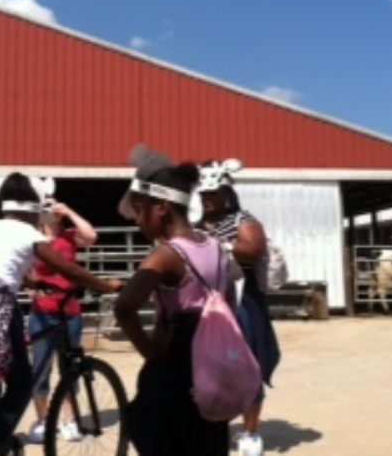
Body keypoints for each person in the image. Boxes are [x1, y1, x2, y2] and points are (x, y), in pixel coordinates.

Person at [0, 172, 123, 456]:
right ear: (35, 209)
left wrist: (36, 283)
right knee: (23, 381)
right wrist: (106, 285)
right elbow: (68, 270)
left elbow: (2, 265)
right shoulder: (28, 233)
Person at [114, 146, 232, 456]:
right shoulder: (216, 246)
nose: (137, 220)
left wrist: (148, 349)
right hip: (213, 362)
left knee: (161, 435)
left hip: (176, 363)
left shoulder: (166, 255)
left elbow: (125, 306)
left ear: (162, 208)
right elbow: (228, 300)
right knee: (206, 437)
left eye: (140, 210)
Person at [196, 159, 280, 456]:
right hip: (208, 304)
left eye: (213, 195)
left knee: (248, 365)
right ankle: (213, 424)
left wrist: (218, 244)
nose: (207, 200)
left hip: (243, 302)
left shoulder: (244, 220)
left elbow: (253, 250)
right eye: (204, 195)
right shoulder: (195, 223)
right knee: (210, 367)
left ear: (226, 194)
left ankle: (251, 431)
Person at [26, 197, 98, 443]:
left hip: (70, 310)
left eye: (52, 206)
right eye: (45, 207)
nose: (51, 212)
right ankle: (43, 420)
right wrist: (31, 286)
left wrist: (69, 210)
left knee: (70, 367)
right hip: (42, 312)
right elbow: (25, 270)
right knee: (40, 368)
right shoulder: (32, 238)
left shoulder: (69, 236)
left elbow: (91, 236)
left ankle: (68, 419)